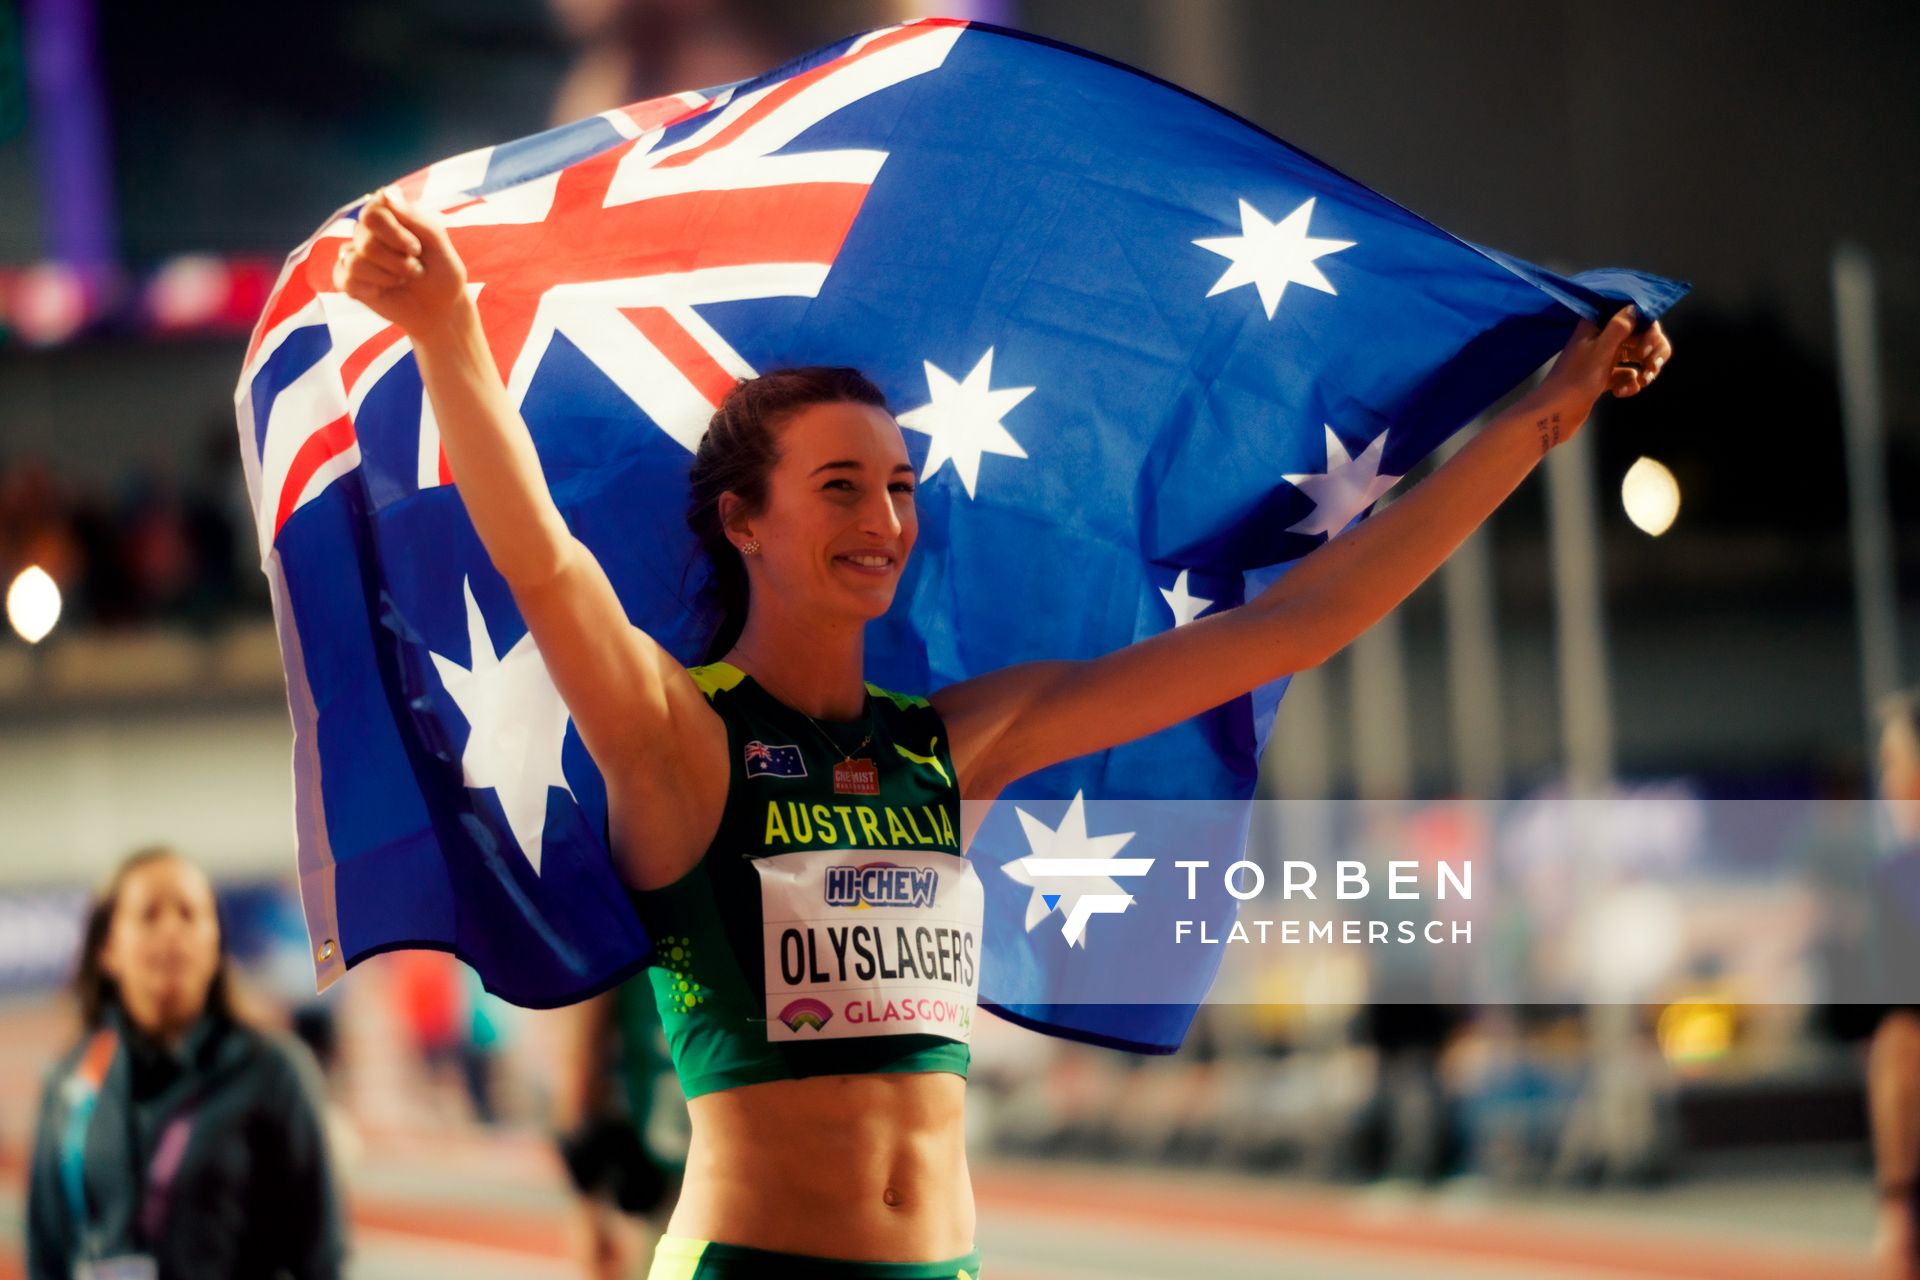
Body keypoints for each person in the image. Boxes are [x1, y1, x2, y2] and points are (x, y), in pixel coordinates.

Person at [335, 185, 1670, 1278]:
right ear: (743, 521)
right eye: (840, 488)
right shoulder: (681, 743)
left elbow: (1289, 628)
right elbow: (549, 571)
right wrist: (449, 333)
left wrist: (1544, 414)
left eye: (901, 487)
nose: (884, 520)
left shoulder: (953, 744)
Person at [25, 847, 345, 1280]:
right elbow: (46, 1251)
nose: (172, 930)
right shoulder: (70, 1082)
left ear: (216, 944)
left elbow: (321, 1257)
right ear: (108, 950)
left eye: (189, 913)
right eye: (149, 914)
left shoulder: (274, 1073)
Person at [1869, 688, 1920, 1279]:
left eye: (1891, 762)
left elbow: (1903, 1047)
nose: (1885, 783)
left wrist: (1894, 1201)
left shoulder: (1901, 882)